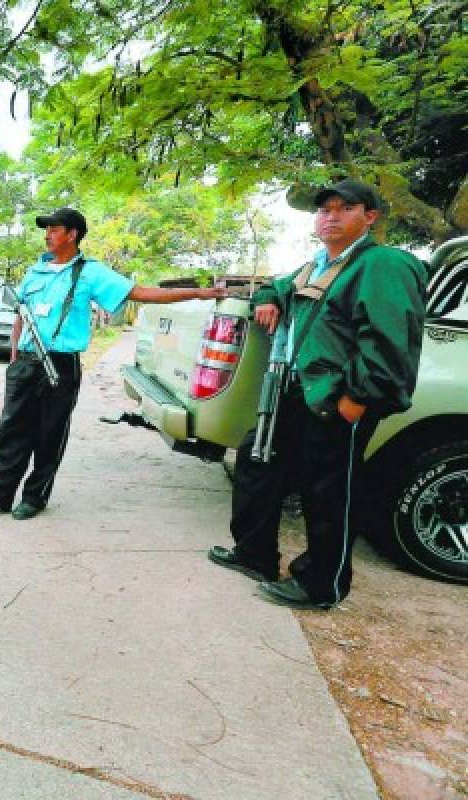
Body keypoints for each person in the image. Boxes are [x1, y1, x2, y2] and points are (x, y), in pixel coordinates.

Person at [208, 179, 426, 609]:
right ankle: (255, 555)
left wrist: (354, 402)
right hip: (299, 391)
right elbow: (278, 286)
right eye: (324, 210)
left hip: (339, 398)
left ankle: (321, 585)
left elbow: (387, 342)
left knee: (328, 491)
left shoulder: (381, 263)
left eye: (344, 209)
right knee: (257, 459)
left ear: (370, 217)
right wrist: (268, 298)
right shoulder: (317, 265)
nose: (331, 216)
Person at [0, 207, 226, 521]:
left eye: (54, 228)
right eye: (46, 229)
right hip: (25, 363)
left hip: (60, 364)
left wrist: (198, 293)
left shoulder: (90, 272)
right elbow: (20, 317)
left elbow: (141, 293)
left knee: (50, 433)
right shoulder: (34, 272)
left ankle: (34, 498)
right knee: (12, 428)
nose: (47, 235)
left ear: (72, 234)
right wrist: (13, 359)